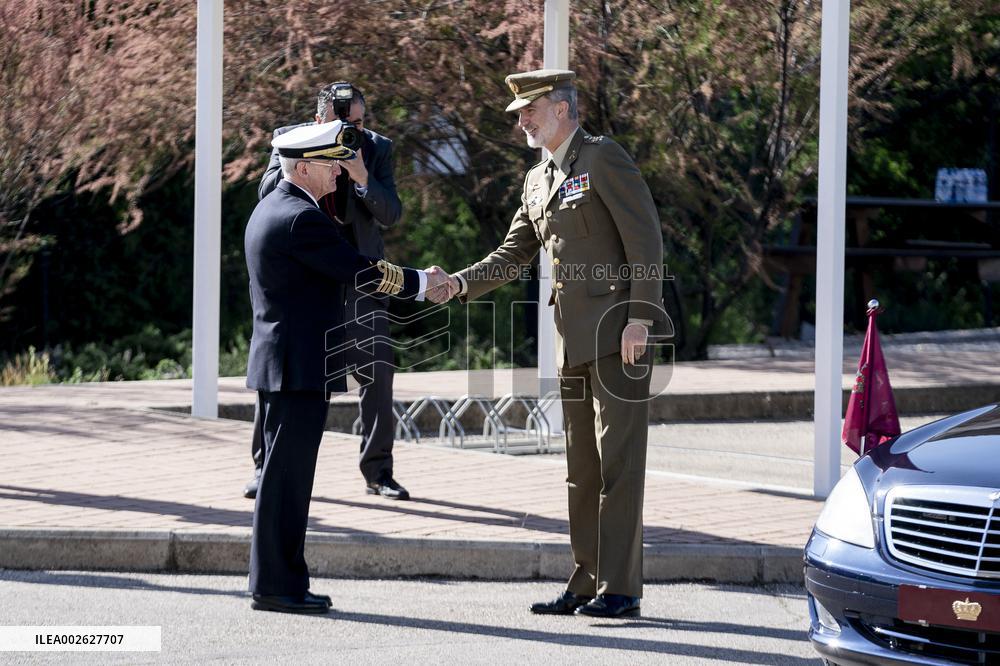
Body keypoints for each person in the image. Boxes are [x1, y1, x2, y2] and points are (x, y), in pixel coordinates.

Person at [430, 69, 665, 619]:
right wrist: (459, 283)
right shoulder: (538, 179)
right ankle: (584, 582)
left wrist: (641, 320)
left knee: (619, 466)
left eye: (528, 110)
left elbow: (646, 237)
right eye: (518, 114)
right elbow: (511, 255)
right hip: (572, 343)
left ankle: (621, 589)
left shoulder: (603, 158)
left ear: (560, 107)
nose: (521, 121)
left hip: (619, 337)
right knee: (581, 469)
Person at [245, 120, 450, 614]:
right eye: (331, 165)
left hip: (286, 365)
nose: (339, 173)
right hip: (298, 368)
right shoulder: (301, 218)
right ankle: (278, 585)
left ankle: (277, 580)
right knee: (287, 483)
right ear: (307, 167)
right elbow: (360, 270)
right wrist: (423, 282)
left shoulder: (273, 208)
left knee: (282, 480)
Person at [246, 81, 409, 501]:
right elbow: (269, 195)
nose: (352, 131)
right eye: (343, 123)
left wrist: (360, 177)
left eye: (358, 122)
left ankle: (378, 472)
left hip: (358, 278)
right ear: (320, 120)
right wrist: (310, 160)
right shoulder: (291, 141)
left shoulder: (375, 148)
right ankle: (265, 468)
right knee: (279, 372)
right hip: (304, 280)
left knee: (377, 371)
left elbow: (391, 212)